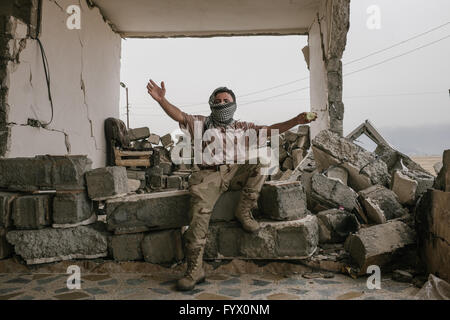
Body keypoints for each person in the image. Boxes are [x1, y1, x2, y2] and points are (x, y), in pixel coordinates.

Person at [146, 79, 317, 291]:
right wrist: (162, 100)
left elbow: (271, 130)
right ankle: (195, 269)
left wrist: (296, 120)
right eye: (217, 100)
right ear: (211, 104)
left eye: (226, 100)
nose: (221, 103)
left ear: (234, 104)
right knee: (199, 212)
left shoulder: (244, 127)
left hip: (236, 173)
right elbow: (179, 114)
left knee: (263, 158)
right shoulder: (201, 123)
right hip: (210, 176)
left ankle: (244, 211)